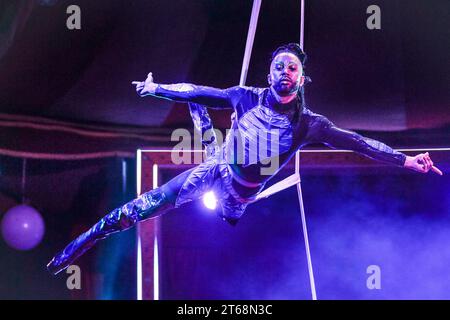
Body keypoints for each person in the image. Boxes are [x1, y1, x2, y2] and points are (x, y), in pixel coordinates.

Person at [47, 43, 441, 275]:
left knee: (229, 211)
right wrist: (158, 89)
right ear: (269, 73)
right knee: (146, 204)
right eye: (279, 66)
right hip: (214, 170)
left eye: (292, 68)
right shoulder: (244, 96)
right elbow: (198, 89)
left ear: (301, 79)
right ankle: (80, 243)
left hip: (240, 193)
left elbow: (357, 142)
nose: (285, 71)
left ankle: (221, 188)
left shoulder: (309, 124)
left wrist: (406, 161)